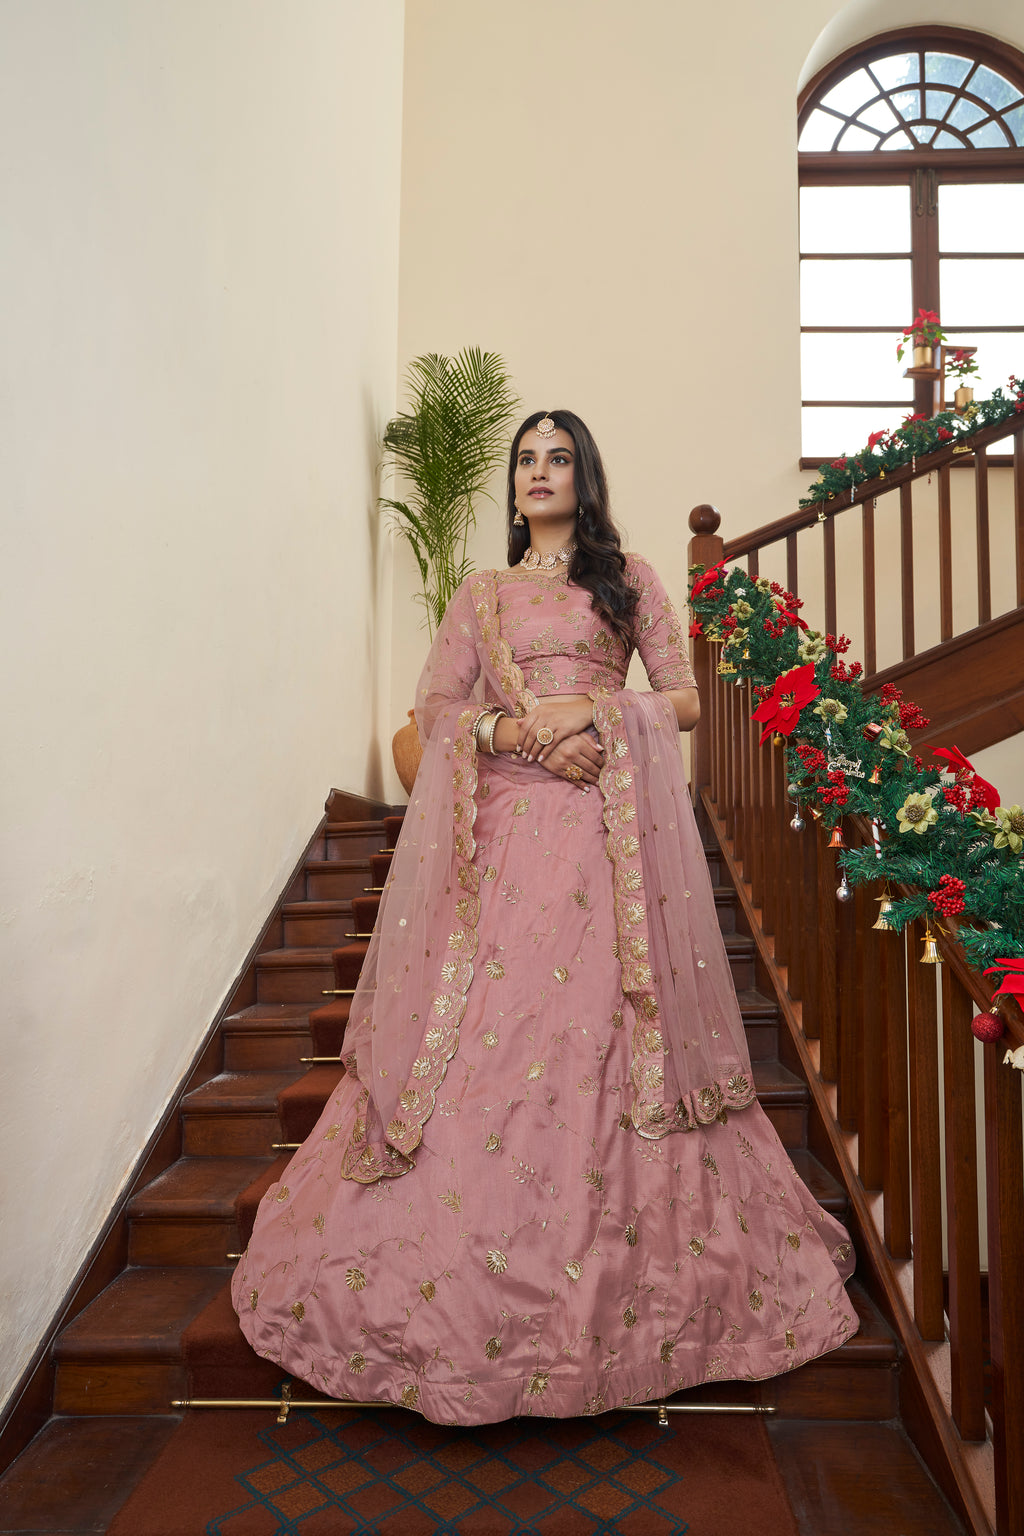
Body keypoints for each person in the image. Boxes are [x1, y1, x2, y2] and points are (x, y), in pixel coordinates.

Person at [232, 408, 856, 1422]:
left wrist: (594, 714)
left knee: (596, 1032)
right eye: (525, 459)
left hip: (606, 840)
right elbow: (437, 711)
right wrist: (515, 732)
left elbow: (685, 700)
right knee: (484, 1030)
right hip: (506, 837)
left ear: (583, 476)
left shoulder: (629, 578)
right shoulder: (480, 595)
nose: (538, 472)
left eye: (557, 458)